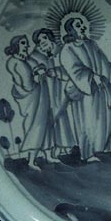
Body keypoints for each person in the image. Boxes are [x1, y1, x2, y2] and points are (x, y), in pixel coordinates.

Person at [59, 16, 111, 163]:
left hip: (101, 87)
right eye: (78, 25)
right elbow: (74, 70)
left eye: (82, 24)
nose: (83, 27)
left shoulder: (91, 44)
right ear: (71, 30)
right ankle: (87, 154)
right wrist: (92, 76)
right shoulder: (67, 49)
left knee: (108, 116)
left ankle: (110, 147)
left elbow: (104, 63)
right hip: (85, 90)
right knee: (88, 121)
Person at [29, 28, 75, 160]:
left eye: (44, 38)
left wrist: (57, 72)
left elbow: (68, 68)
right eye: (39, 41)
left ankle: (63, 148)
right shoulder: (36, 55)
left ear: (50, 38)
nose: (42, 42)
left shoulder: (60, 51)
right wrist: (39, 72)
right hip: (46, 93)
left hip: (60, 91)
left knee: (61, 117)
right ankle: (48, 152)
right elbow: (33, 69)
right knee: (49, 119)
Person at [4, 35, 48, 167]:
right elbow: (22, 83)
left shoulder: (25, 59)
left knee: (38, 124)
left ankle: (37, 156)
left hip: (37, 94)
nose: (27, 46)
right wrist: (34, 80)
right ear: (16, 46)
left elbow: (37, 67)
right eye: (23, 43)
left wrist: (39, 71)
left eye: (26, 43)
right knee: (33, 125)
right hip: (29, 97)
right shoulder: (14, 62)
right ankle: (31, 160)